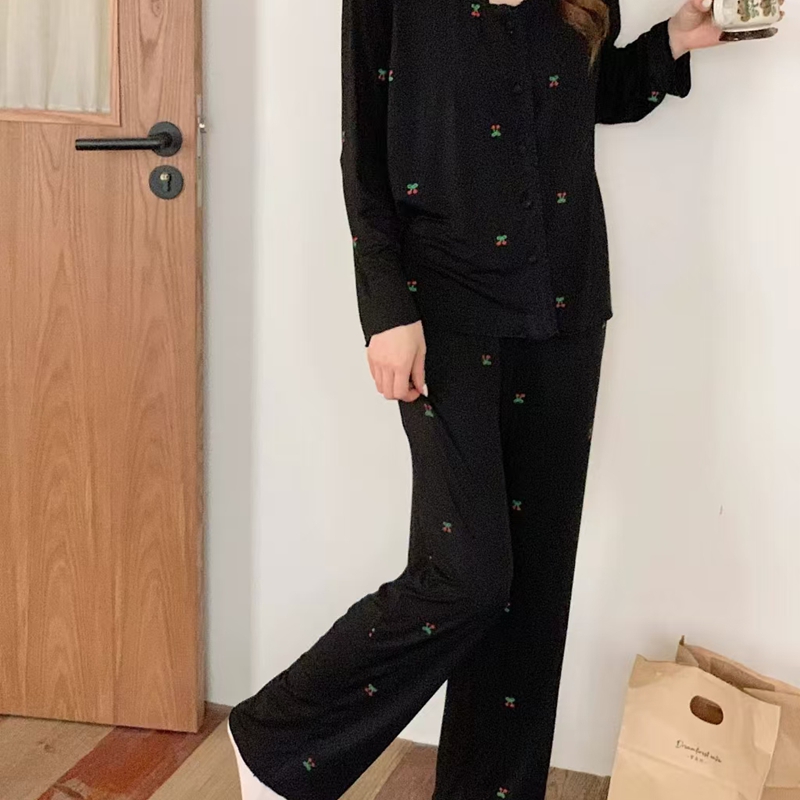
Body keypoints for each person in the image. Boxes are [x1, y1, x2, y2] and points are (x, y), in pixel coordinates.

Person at [226, 1, 781, 798]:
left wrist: (673, 43)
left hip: (562, 304)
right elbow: (364, 148)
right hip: (441, 309)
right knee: (468, 576)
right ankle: (279, 740)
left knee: (533, 590)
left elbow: (584, 94)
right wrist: (385, 308)